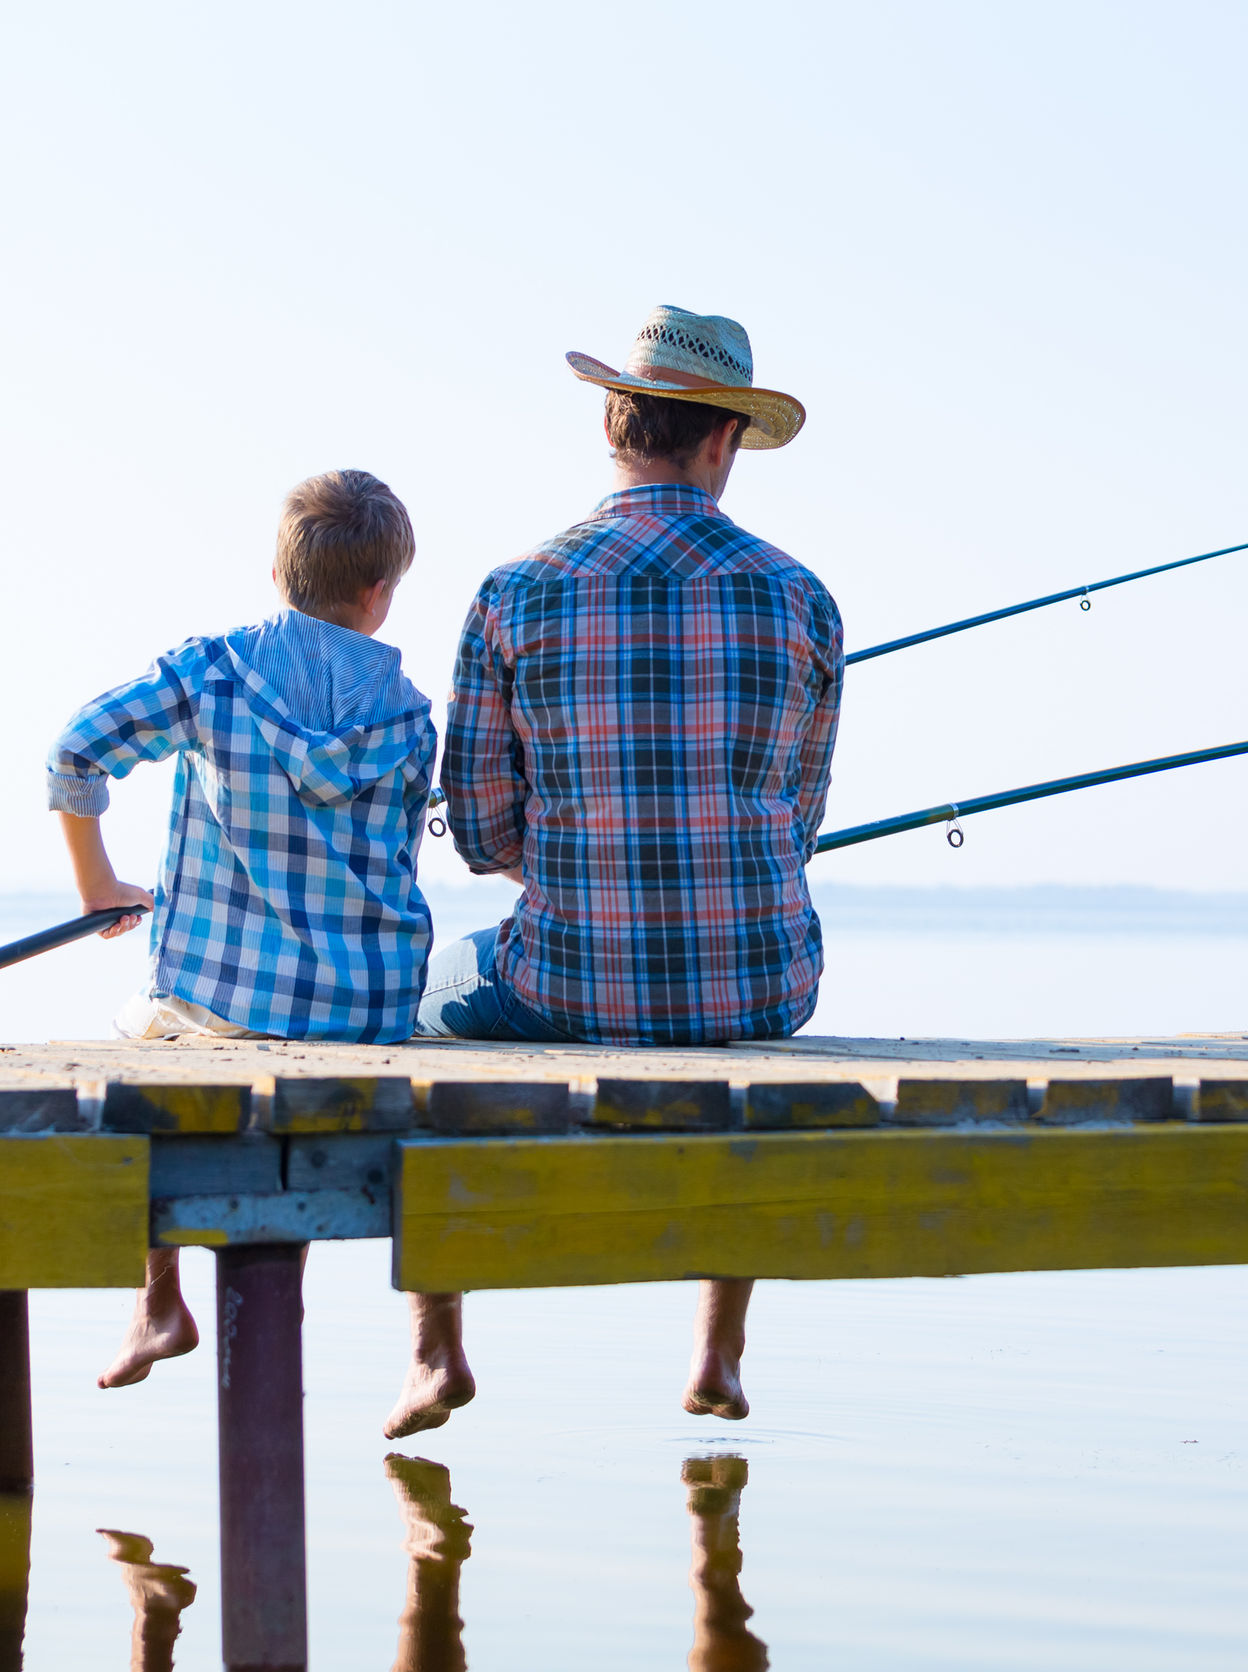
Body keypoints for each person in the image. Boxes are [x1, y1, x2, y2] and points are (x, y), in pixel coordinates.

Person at [423, 305, 840, 1423]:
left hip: (563, 979)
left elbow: (482, 832)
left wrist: (581, 865)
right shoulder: (802, 597)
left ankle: (437, 1346)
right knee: (733, 1047)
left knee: (419, 996)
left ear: (615, 426)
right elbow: (796, 822)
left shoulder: (515, 591)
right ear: (721, 441)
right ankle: (718, 1351)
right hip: (762, 988)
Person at [44, 469, 460, 1436]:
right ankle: (435, 1345)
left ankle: (159, 1304)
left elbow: (75, 751)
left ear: (278, 572)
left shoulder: (212, 673)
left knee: (142, 1049)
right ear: (381, 592)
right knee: (402, 1118)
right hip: (367, 1010)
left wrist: (98, 889)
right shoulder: (407, 716)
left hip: (219, 997)